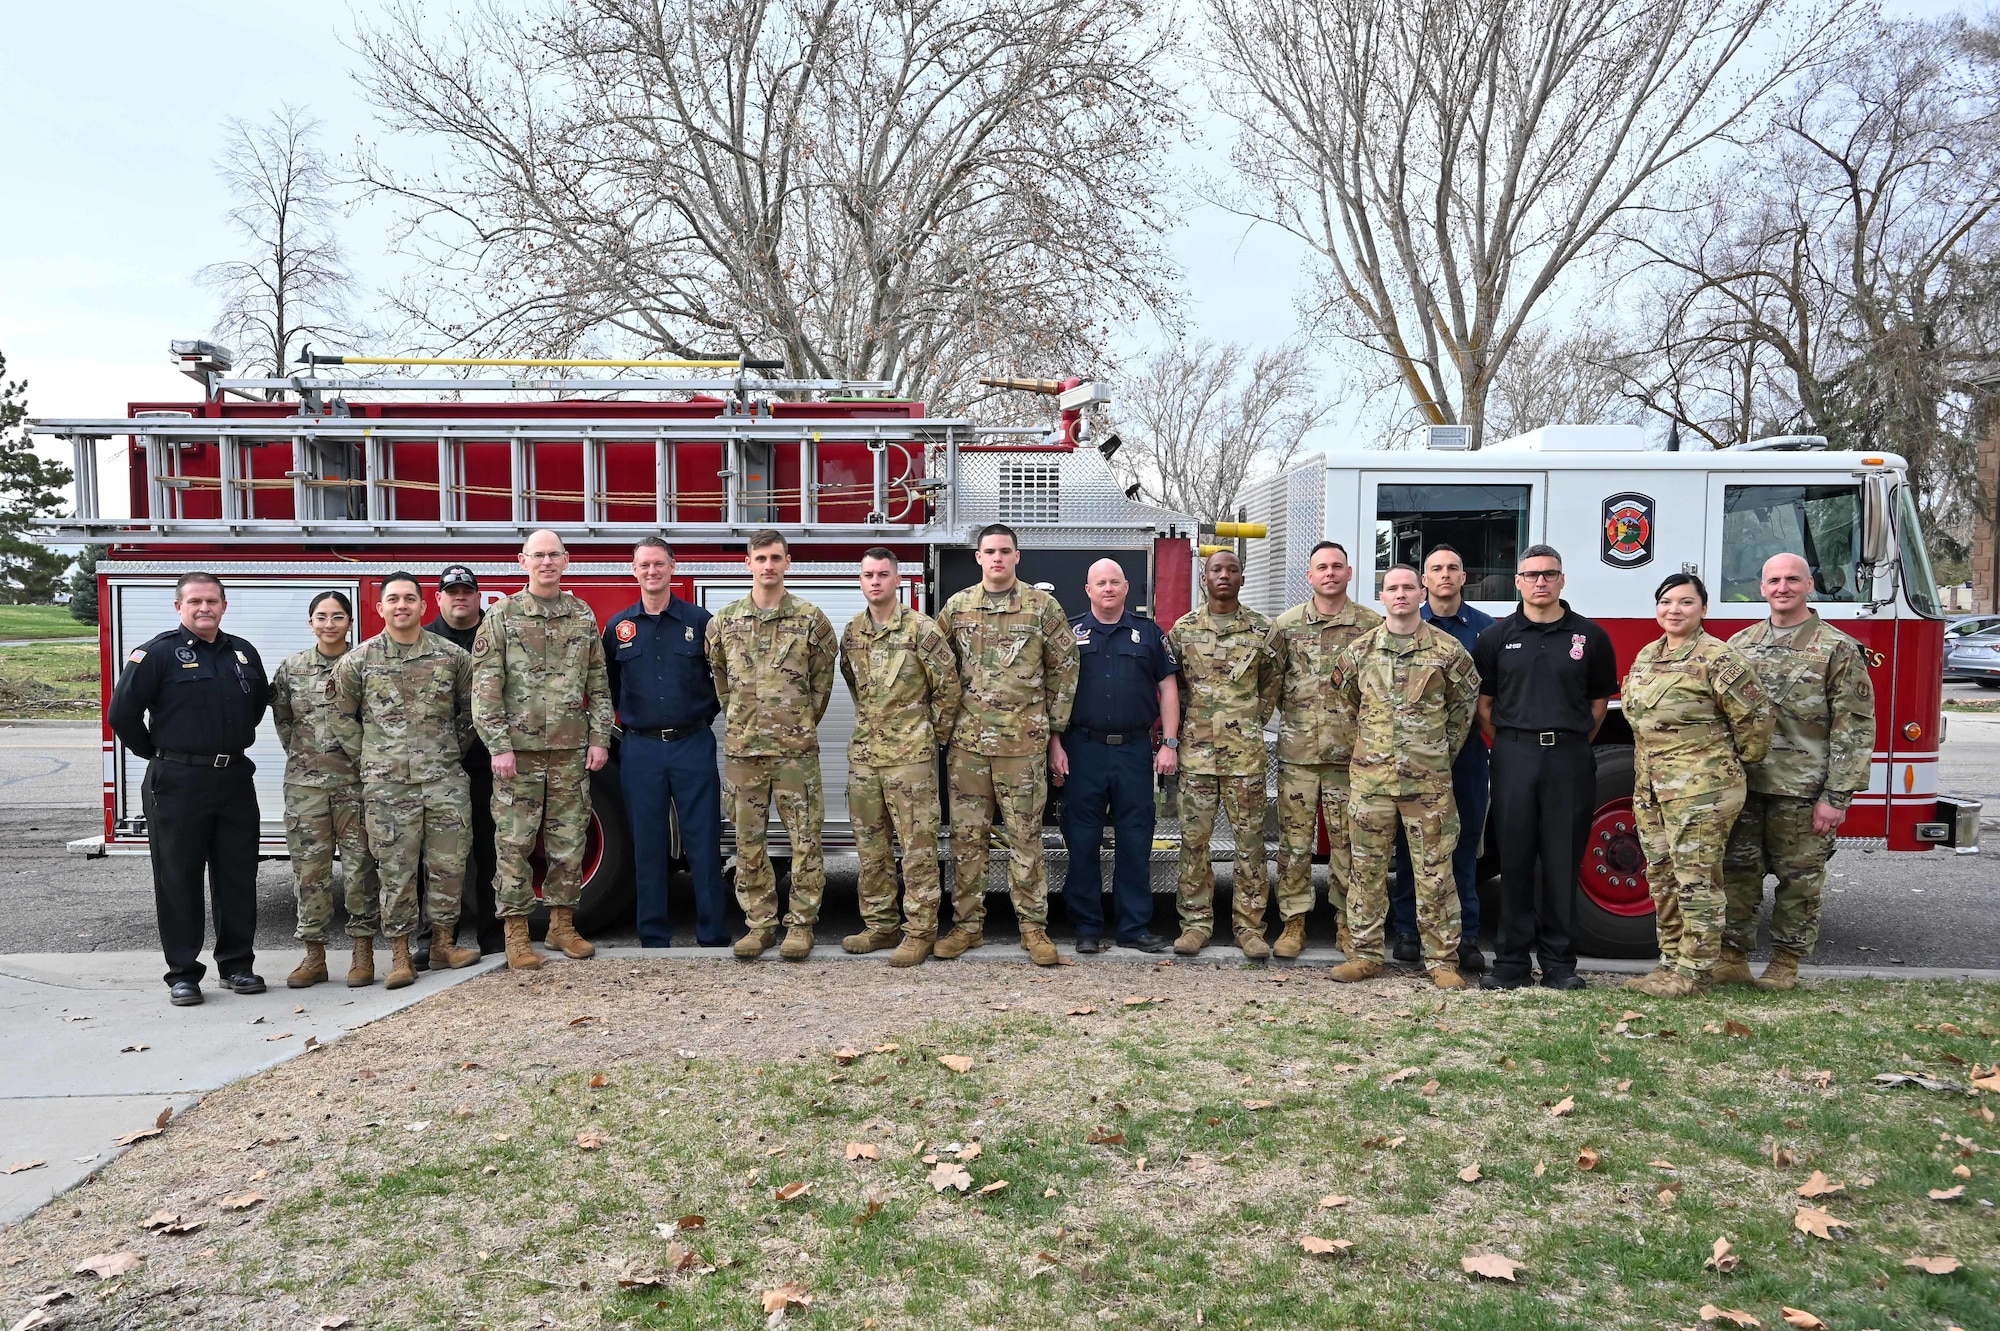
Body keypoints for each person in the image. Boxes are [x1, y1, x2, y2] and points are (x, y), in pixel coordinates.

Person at [109, 572, 271, 1007]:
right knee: (178, 877)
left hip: (234, 778)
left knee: (237, 875)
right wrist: (163, 756)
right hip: (177, 782)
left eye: (212, 601)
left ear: (224, 605)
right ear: (178, 607)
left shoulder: (243, 653)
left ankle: (237, 965)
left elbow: (254, 710)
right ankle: (183, 973)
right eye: (195, 601)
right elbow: (122, 715)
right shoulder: (157, 653)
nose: (204, 608)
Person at [1719, 553, 1875, 990]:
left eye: (1792, 579)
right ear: (1762, 587)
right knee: (1738, 873)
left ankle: (1785, 963)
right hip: (1746, 786)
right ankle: (1731, 956)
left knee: (1799, 879)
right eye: (1773, 580)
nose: (1782, 587)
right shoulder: (1740, 645)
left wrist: (1836, 797)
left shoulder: (1837, 648)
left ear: (1810, 585)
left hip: (1804, 789)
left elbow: (1855, 727)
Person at [1471, 545, 1618, 992]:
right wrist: (1516, 745)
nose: (1540, 582)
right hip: (1514, 755)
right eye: (1531, 575)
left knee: (1561, 861)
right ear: (1517, 581)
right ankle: (1511, 962)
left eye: (1549, 574)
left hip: (1569, 758)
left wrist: (1564, 743)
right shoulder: (1495, 638)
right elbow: (1484, 706)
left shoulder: (1590, 638)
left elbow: (1598, 705)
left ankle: (1559, 963)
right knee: (1513, 860)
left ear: (1562, 580)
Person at [1622, 572, 1773, 998]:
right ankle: (1669, 961)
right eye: (1667, 601)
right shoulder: (1648, 655)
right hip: (1653, 789)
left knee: (1697, 881)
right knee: (1663, 876)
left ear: (1703, 609)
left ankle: (1695, 971)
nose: (1675, 609)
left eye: (1686, 602)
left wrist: (1720, 768)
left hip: (1702, 790)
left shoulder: (1719, 659)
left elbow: (1756, 723)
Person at [1330, 565, 1480, 989]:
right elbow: (1346, 708)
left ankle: (1442, 960)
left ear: (1423, 592)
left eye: (1408, 587)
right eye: (1392, 588)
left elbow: (1462, 710)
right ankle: (1364, 954)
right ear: (1381, 596)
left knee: (1435, 871)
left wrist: (1434, 754)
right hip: (1371, 783)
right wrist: (1368, 752)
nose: (1401, 595)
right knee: (1366, 870)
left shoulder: (1448, 651)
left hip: (1428, 785)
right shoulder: (1359, 652)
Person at [472, 530, 615, 970]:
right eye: (539, 555)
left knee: (569, 840)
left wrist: (599, 737)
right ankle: (515, 933)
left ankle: (561, 926)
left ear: (567, 561)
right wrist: (498, 746)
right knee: (514, 842)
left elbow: (598, 680)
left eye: (554, 555)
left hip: (571, 750)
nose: (547, 562)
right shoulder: (502, 615)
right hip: (520, 752)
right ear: (522, 561)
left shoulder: (581, 613)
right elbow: (485, 687)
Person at [938, 523, 1079, 966]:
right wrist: (943, 728)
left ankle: (1033, 928)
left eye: (1005, 551)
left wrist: (1054, 732)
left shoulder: (1042, 608)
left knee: (1026, 839)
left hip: (1024, 746)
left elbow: (1065, 669)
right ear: (978, 557)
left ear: (1017, 556)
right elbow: (937, 669)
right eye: (989, 551)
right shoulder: (957, 608)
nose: (997, 558)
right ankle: (967, 926)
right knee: (966, 839)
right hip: (968, 748)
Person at [332, 573, 483, 989]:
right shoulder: (358, 661)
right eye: (393, 599)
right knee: (396, 872)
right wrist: (371, 756)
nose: (402, 605)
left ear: (423, 606)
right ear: (380, 608)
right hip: (388, 786)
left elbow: (475, 710)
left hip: (444, 780)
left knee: (448, 867)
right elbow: (339, 716)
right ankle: (400, 955)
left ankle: (442, 945)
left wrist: (452, 747)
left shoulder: (452, 657)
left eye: (410, 599)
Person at [706, 530, 838, 961]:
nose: (768, 565)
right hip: (745, 752)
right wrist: (745, 719)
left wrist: (798, 723)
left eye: (775, 558)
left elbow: (822, 682)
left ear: (788, 562)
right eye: (760, 558)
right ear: (747, 563)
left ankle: (801, 926)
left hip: (795, 752)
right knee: (749, 842)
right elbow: (721, 680)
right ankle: (759, 925)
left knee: (806, 841)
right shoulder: (723, 622)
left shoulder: (810, 619)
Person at [603, 538, 728, 949]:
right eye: (644, 565)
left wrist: (702, 716)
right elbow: (609, 686)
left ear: (673, 567)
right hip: (641, 748)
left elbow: (721, 679)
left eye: (659, 564)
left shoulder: (701, 621)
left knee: (703, 841)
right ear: (634, 571)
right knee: (648, 843)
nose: (652, 571)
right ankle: (654, 934)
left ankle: (713, 932)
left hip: (692, 742)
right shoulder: (619, 628)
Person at [839, 547, 961, 966]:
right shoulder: (852, 632)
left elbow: (948, 689)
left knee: (917, 848)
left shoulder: (921, 630)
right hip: (865, 757)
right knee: (871, 848)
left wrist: (928, 736)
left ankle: (920, 931)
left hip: (911, 758)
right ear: (861, 580)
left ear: (897, 580)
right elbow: (855, 687)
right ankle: (880, 924)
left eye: (883, 574)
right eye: (868, 574)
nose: (875, 581)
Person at [1056, 558, 1179, 955]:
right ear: (1088, 589)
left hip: (1133, 752)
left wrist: (1169, 742)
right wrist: (1054, 744)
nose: (1108, 588)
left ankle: (1134, 927)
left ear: (1127, 588)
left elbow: (1168, 688)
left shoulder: (1148, 634)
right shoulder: (1069, 633)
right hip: (1082, 750)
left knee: (1135, 840)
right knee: (1082, 841)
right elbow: (1050, 691)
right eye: (1100, 583)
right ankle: (1087, 926)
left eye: (1115, 582)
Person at [1265, 541, 1382, 958]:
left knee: (1348, 845)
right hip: (1298, 756)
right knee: (1294, 845)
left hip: (1349, 758)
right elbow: (1270, 684)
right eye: (1321, 567)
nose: (1329, 573)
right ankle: (1293, 924)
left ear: (1349, 573)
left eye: (1337, 566)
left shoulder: (1372, 626)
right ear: (1309, 576)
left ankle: (1348, 926)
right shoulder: (1286, 625)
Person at [1165, 549, 1279, 957]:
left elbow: (1270, 688)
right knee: (1194, 843)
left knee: (1251, 845)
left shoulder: (1263, 631)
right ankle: (1195, 924)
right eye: (1217, 569)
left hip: (1244, 758)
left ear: (1243, 578)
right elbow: (1174, 688)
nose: (1224, 575)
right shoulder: (1183, 630)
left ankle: (1250, 929)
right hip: (1196, 757)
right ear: (1204, 578)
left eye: (1232, 570)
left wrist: (1246, 723)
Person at [1387, 544, 1494, 972]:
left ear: (1464, 577)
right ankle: (1409, 931)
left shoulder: (1487, 632)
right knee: (1410, 848)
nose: (1445, 575)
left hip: (1465, 758)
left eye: (1453, 568)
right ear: (1423, 581)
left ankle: (1466, 935)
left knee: (1463, 847)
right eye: (1435, 569)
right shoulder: (1401, 629)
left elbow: (1488, 697)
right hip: (1412, 762)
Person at [269, 591, 379, 988]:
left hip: (357, 785)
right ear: (310, 622)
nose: (329, 624)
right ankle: (314, 956)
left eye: (337, 617)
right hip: (306, 788)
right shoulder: (292, 668)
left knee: (360, 870)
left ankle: (362, 954)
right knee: (309, 873)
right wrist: (305, 760)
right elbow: (284, 719)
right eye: (321, 617)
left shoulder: (367, 664)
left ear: (350, 622)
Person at [424, 564, 502, 956]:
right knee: (437, 855)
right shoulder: (423, 640)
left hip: (490, 759)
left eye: (466, 591)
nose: (459, 597)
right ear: (438, 598)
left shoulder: (497, 634)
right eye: (451, 591)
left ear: (477, 597)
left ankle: (494, 936)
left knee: (492, 849)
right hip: (438, 765)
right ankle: (436, 940)